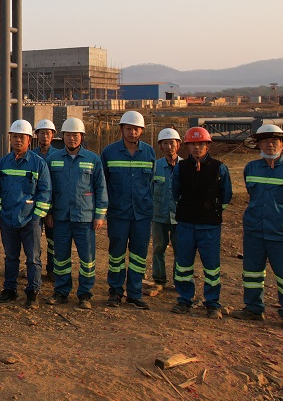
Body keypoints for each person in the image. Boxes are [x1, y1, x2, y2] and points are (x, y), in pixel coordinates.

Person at [232, 124, 283, 330]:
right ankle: (253, 309)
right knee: (252, 273)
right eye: (265, 141)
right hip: (255, 231)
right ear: (258, 144)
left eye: (275, 140)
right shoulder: (251, 168)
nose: (270, 144)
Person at [170, 127, 232, 319]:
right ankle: (184, 299)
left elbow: (226, 195)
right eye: (193, 144)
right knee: (183, 265)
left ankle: (212, 303)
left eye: (201, 144)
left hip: (209, 226)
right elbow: (174, 192)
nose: (197, 147)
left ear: (207, 145)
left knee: (212, 267)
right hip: (186, 224)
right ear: (187, 147)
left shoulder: (219, 168)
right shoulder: (180, 168)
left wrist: (213, 211)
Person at [45, 118, 106, 309]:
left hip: (84, 218)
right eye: (68, 135)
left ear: (82, 137)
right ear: (62, 137)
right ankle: (61, 291)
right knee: (61, 257)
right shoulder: (53, 159)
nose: (72, 138)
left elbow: (100, 188)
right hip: (61, 217)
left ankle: (85, 293)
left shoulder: (93, 159)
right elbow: (47, 189)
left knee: (87, 259)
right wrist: (48, 213)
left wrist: (99, 215)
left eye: (75, 135)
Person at [0, 120, 52, 308]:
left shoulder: (38, 164)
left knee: (33, 258)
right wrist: (0, 211)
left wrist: (36, 216)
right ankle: (10, 289)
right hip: (8, 218)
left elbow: (45, 192)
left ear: (29, 140)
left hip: (30, 220)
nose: (18, 140)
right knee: (10, 257)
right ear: (10, 138)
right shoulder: (3, 163)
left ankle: (33, 292)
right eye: (15, 136)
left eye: (22, 137)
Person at [101, 110, 155, 309]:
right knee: (116, 254)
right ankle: (115, 291)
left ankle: (134, 293)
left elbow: (151, 182)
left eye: (136, 129)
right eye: (129, 128)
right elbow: (102, 183)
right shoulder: (109, 152)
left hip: (142, 213)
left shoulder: (149, 152)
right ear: (122, 129)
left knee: (139, 255)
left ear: (142, 131)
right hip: (118, 213)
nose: (133, 132)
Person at [151, 128, 182, 289]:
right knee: (158, 248)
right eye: (165, 143)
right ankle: (159, 279)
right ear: (160, 146)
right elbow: (149, 190)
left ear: (178, 145)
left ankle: (180, 280)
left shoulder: (186, 167)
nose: (169, 147)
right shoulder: (155, 167)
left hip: (180, 216)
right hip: (159, 215)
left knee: (180, 249)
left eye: (172, 143)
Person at [34, 119, 57, 278]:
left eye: (48, 133)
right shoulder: (32, 155)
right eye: (42, 133)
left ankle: (52, 269)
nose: (45, 136)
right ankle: (34, 269)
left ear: (53, 135)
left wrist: (50, 210)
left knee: (52, 240)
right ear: (37, 135)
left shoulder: (58, 156)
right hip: (34, 204)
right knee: (34, 240)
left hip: (51, 205)